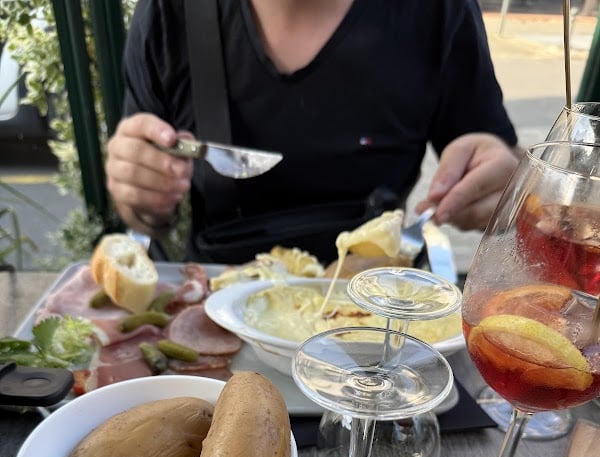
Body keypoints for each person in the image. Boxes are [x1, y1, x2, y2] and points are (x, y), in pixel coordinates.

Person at [106, 0, 521, 265]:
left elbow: (508, 174)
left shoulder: (437, 12)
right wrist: (141, 195)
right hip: (220, 316)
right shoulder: (170, 13)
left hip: (376, 312)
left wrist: (500, 186)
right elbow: (144, 215)